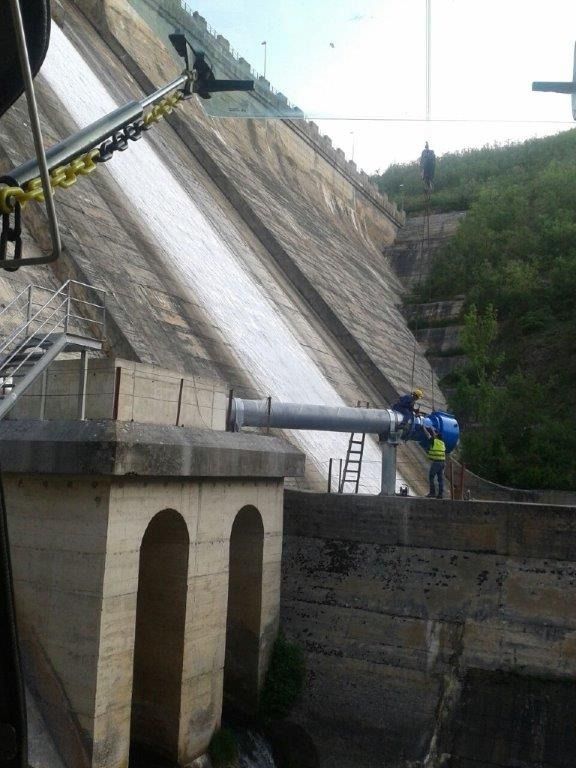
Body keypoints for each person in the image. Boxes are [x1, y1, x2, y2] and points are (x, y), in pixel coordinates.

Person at [423, 425, 446, 499]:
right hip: (442, 462)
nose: (434, 434)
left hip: (437, 462)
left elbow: (428, 435)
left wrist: (423, 427)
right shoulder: (442, 443)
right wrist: (432, 429)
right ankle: (440, 494)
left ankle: (432, 493)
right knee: (440, 479)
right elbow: (434, 435)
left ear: (437, 437)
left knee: (431, 476)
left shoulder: (434, 441)